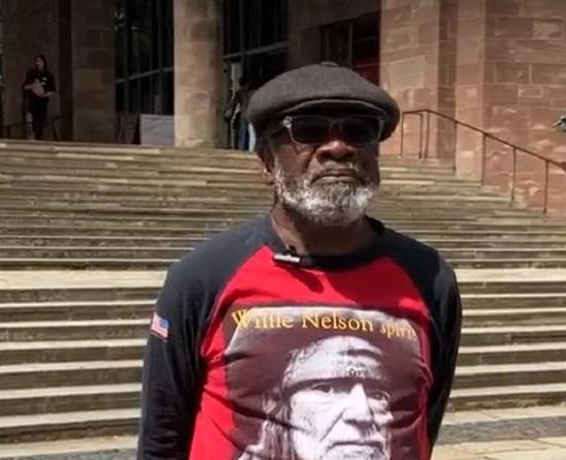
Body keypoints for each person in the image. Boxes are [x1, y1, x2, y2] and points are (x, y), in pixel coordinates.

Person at [137, 62, 462, 460]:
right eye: (308, 129)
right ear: (266, 162)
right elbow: (162, 441)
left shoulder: (429, 278)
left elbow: (420, 426)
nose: (338, 147)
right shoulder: (203, 277)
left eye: (359, 130)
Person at [22, 54, 56, 140]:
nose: (38, 63)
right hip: (32, 100)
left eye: (40, 61)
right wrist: (33, 86)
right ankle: (32, 135)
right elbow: (25, 87)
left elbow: (52, 89)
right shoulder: (31, 73)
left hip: (43, 101)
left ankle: (39, 136)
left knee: (41, 120)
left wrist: (44, 94)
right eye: (37, 61)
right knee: (32, 119)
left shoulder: (48, 74)